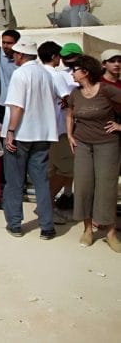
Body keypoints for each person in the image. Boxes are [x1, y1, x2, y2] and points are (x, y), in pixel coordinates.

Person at [2, 38, 59, 240]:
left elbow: (17, 106)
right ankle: (47, 226)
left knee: (14, 181)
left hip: (21, 134)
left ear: (20, 55)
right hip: (42, 134)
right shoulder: (46, 74)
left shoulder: (21, 74)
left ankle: (15, 224)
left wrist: (10, 131)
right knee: (41, 181)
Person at [66, 55, 121, 251]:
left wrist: (119, 126)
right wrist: (71, 135)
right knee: (83, 186)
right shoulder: (75, 93)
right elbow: (70, 113)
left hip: (107, 144)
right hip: (82, 145)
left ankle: (111, 233)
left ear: (85, 72)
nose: (72, 73)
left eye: (75, 70)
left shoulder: (106, 90)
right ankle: (88, 229)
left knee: (106, 188)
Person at [38, 41, 76, 223]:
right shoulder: (56, 75)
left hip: (41, 130)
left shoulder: (35, 73)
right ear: (55, 57)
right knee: (68, 169)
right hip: (58, 129)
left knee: (51, 170)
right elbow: (67, 98)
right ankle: (45, 205)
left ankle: (48, 207)